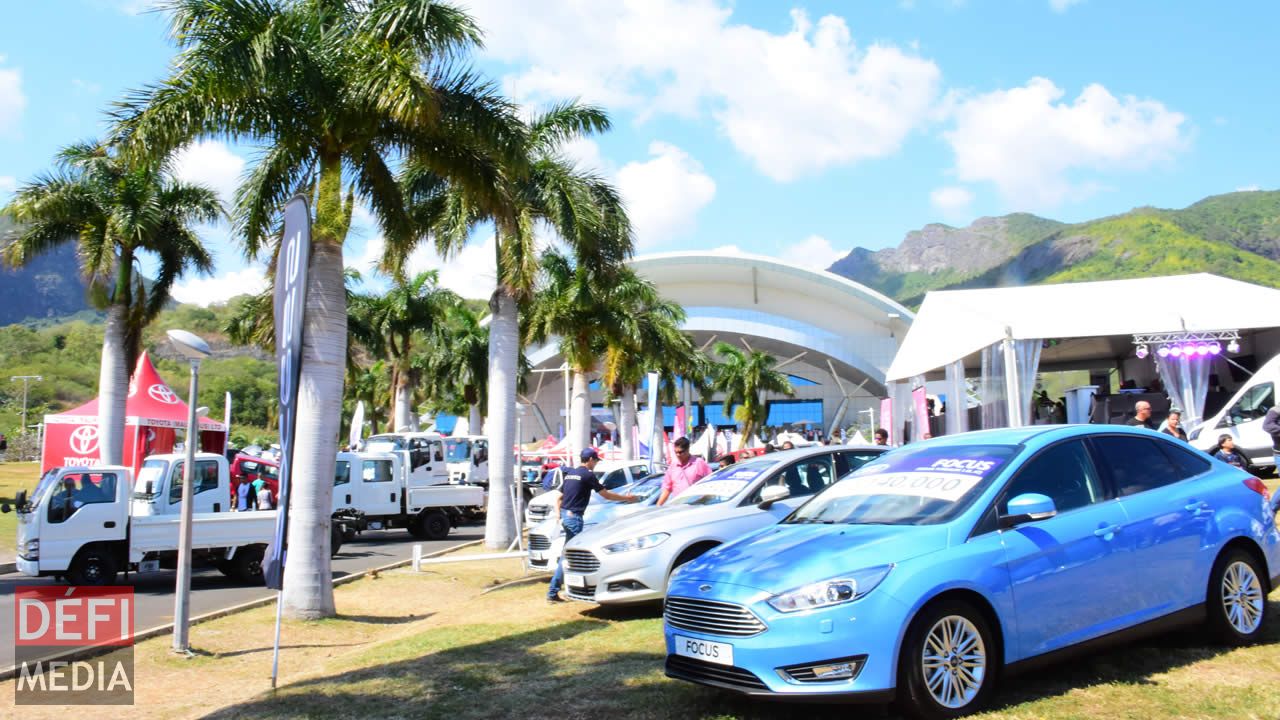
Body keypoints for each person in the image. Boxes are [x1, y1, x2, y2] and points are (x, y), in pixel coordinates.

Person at [548, 449, 639, 603]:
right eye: (596, 461)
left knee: (568, 555)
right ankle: (556, 591)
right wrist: (627, 498)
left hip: (565, 516)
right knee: (571, 557)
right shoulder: (587, 475)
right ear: (590, 459)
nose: (596, 464)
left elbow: (559, 498)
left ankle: (557, 590)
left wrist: (558, 515)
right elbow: (606, 495)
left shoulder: (571, 473)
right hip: (574, 519)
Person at [656, 437, 714, 505]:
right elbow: (667, 489)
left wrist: (703, 500)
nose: (678, 455)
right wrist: (658, 506)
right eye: (676, 452)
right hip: (677, 506)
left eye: (680, 452)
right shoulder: (673, 466)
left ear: (688, 450)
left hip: (696, 507)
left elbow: (711, 483)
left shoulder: (699, 463)